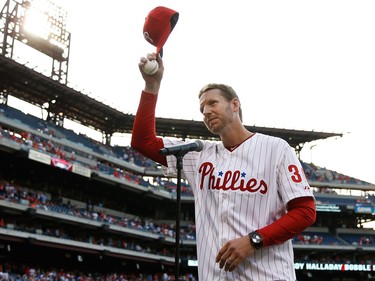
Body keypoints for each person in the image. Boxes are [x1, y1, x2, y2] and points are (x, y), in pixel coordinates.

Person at [131, 53, 316, 281]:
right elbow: (142, 142)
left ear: (234, 104)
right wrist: (152, 84)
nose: (206, 111)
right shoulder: (198, 154)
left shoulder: (276, 149)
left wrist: (253, 241)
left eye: (212, 103)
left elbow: (305, 212)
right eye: (202, 109)